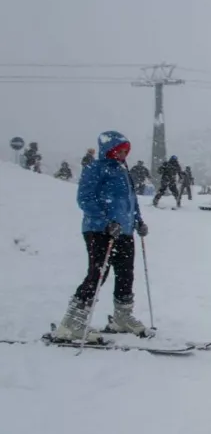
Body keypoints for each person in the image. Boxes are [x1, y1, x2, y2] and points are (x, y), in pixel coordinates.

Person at [55, 131, 151, 342]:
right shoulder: (96, 169)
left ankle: (121, 317)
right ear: (110, 149)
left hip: (123, 231)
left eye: (126, 150)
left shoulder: (123, 171)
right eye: (121, 150)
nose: (125, 153)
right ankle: (72, 324)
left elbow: (130, 201)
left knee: (126, 273)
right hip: (99, 231)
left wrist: (138, 221)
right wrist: (105, 222)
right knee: (98, 274)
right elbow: (85, 198)